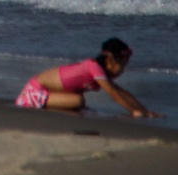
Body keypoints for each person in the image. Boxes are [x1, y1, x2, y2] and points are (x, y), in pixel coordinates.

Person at [16, 38, 157, 118]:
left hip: (45, 91)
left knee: (78, 102)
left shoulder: (100, 71)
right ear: (110, 59)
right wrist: (133, 111)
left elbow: (122, 93)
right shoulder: (94, 67)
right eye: (122, 64)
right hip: (32, 92)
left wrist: (145, 111)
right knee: (77, 101)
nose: (123, 69)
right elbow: (114, 95)